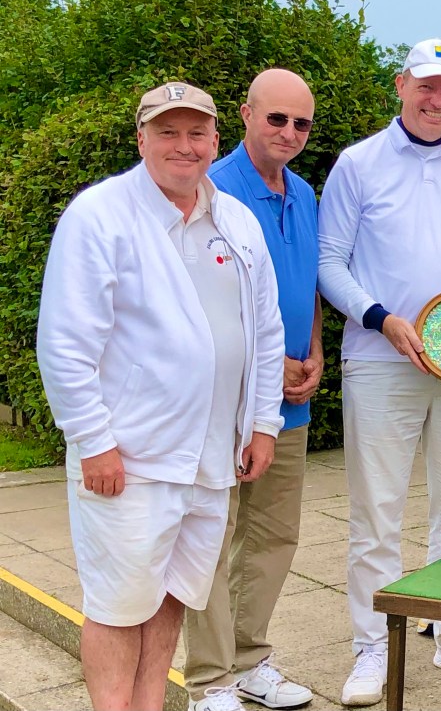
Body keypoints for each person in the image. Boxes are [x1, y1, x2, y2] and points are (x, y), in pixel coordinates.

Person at [36, 82, 285, 711]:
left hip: (210, 460)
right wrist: (93, 442)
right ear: (141, 137)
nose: (183, 146)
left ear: (215, 140)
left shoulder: (235, 218)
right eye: (167, 132)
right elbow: (65, 344)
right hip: (128, 460)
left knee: (173, 597)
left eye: (195, 133)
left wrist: (261, 423)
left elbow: (263, 329)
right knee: (119, 607)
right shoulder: (99, 215)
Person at [317, 38, 441, 707]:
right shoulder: (358, 164)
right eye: (426, 86)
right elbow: (330, 262)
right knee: (376, 511)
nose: (438, 100)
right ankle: (372, 645)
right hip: (381, 358)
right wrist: (380, 318)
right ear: (400, 85)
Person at [182, 69, 321, 711]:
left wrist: (314, 350)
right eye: (277, 119)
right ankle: (209, 679)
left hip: (290, 401)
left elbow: (306, 284)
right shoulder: (209, 190)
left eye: (301, 123)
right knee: (212, 535)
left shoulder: (305, 192)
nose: (289, 132)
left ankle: (249, 659)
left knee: (273, 535)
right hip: (227, 402)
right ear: (245, 115)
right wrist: (266, 370)